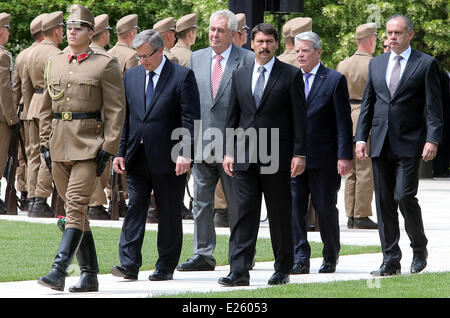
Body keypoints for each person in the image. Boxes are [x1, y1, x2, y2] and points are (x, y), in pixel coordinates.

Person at [37, 4, 125, 292]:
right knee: (77, 213)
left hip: (90, 146)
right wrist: (44, 143)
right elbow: (46, 109)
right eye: (69, 27)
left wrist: (108, 147)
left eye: (78, 28)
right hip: (58, 145)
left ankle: (58, 270)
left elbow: (116, 110)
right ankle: (89, 275)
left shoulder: (105, 64)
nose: (72, 32)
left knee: (74, 206)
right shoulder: (56, 62)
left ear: (90, 33)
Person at [219, 23, 307, 286]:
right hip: (245, 156)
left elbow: (300, 119)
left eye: (269, 41)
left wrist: (299, 154)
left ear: (276, 44)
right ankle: (239, 271)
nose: (265, 46)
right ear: (252, 44)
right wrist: (228, 151)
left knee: (280, 215)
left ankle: (282, 268)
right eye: (260, 41)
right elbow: (232, 116)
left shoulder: (291, 75)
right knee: (243, 214)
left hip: (277, 157)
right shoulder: (240, 73)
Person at [355, 14, 443, 276]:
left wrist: (433, 138)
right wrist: (361, 137)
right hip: (381, 142)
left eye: (398, 33)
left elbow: (434, 107)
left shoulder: (425, 64)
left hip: (410, 142)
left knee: (404, 196)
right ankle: (390, 259)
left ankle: (419, 247)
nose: (392, 37)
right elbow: (368, 103)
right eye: (389, 33)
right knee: (383, 203)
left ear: (410, 35)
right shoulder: (377, 64)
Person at [111, 29, 200, 281]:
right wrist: (120, 152)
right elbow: (127, 118)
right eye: (138, 56)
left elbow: (190, 119)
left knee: (169, 212)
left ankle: (165, 266)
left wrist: (185, 152)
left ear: (161, 51)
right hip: (136, 156)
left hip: (170, 158)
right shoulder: (132, 75)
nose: (142, 61)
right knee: (134, 208)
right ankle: (129, 264)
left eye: (146, 56)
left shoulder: (182, 76)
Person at [176, 9, 253, 272]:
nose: (214, 34)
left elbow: (251, 108)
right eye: (211, 29)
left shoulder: (248, 60)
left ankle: (242, 254)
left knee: (238, 205)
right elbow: (187, 105)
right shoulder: (196, 59)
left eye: (220, 30)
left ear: (233, 34)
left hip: (235, 146)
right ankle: (203, 254)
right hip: (201, 144)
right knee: (201, 203)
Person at [291, 31, 353, 275]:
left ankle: (330, 255)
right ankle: (300, 258)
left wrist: (344, 156)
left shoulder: (334, 80)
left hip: (324, 158)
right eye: (297, 51)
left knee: (324, 207)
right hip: (295, 158)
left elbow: (343, 122)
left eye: (305, 51)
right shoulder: (291, 78)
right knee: (295, 208)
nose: (300, 55)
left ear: (318, 52)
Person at [22, 11, 65, 218]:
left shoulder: (30, 53)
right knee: (49, 153)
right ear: (56, 31)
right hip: (49, 108)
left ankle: (32, 198)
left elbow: (24, 86)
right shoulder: (57, 54)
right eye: (62, 30)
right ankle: (40, 199)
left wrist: (30, 109)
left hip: (32, 108)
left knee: (33, 156)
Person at [337, 23, 378, 230]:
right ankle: (361, 214)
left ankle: (351, 214)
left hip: (346, 118)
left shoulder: (343, 64)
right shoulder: (375, 64)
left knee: (350, 171)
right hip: (365, 118)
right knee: (365, 170)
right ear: (371, 40)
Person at [12, 14, 46, 214]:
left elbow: (18, 87)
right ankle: (36, 198)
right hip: (42, 108)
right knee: (41, 155)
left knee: (26, 156)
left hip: (26, 109)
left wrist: (17, 112)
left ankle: (26, 193)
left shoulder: (23, 54)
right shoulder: (50, 53)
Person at [87, 13, 114, 220]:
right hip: (102, 116)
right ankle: (96, 203)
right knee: (100, 161)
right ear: (103, 35)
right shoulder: (106, 59)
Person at [0, 12, 21, 214]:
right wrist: (12, 118)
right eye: (7, 29)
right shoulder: (2, 56)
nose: (8, 34)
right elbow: (4, 90)